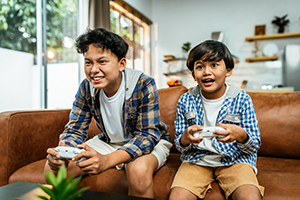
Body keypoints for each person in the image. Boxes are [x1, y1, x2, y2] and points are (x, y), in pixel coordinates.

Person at [44, 28, 172, 198]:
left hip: (148, 141)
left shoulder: (142, 84)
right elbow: (75, 130)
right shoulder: (86, 87)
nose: (93, 70)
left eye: (102, 61)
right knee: (52, 171)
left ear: (122, 64)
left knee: (139, 172)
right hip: (109, 142)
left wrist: (107, 160)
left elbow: (147, 136)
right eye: (88, 62)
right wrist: (64, 150)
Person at [169, 40, 264, 200]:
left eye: (214, 65)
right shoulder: (185, 100)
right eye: (200, 66)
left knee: (249, 197)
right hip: (196, 160)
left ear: (228, 71)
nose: (206, 72)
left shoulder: (241, 99)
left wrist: (241, 135)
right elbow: (179, 144)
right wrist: (185, 139)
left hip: (235, 160)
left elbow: (254, 144)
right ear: (193, 74)